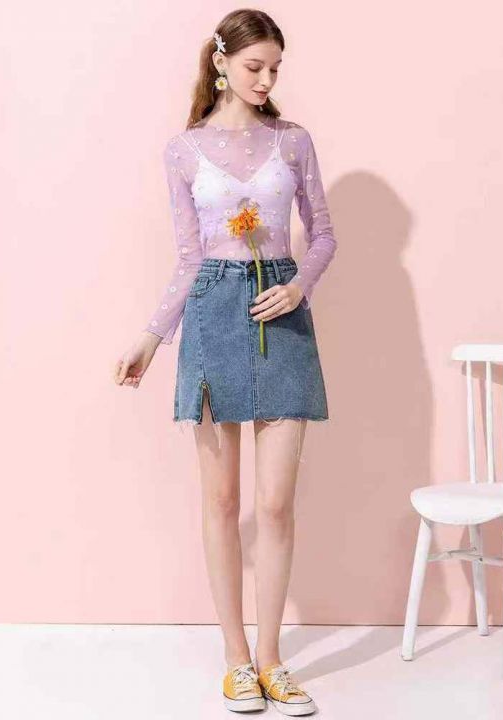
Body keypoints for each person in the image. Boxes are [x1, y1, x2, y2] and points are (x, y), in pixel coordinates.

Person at [114, 9, 337, 716]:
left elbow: (323, 234)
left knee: (275, 503)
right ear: (221, 63)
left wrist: (299, 286)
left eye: (275, 68)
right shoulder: (182, 151)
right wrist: (151, 337)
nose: (267, 80)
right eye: (254, 67)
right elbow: (189, 258)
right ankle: (236, 660)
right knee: (221, 501)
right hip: (211, 316)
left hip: (282, 318)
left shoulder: (293, 140)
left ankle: (272, 660)